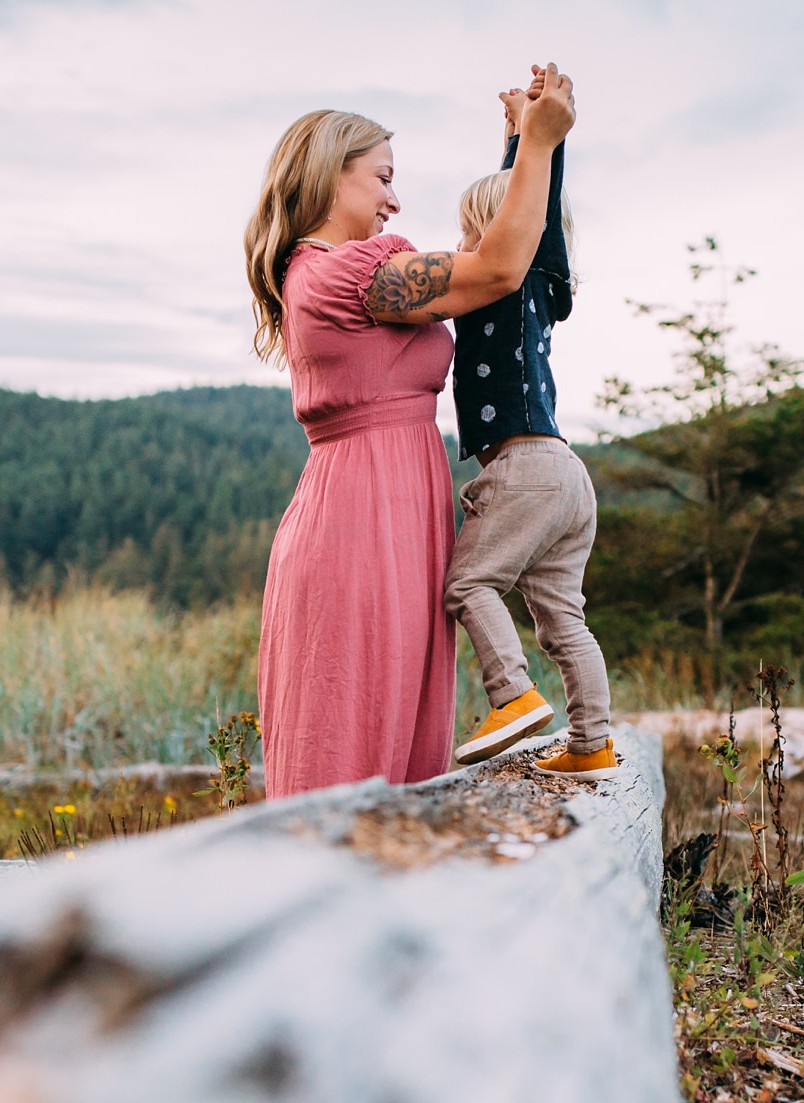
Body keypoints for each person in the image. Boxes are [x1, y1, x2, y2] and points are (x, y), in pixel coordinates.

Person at [241, 67, 577, 799]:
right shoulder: (343, 276)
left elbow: (499, 254)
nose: (395, 198)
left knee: (402, 725)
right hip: (359, 521)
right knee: (350, 734)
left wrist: (522, 140)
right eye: (382, 177)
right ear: (330, 177)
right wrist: (541, 149)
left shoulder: (351, 275)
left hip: (399, 507)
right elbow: (498, 265)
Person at [445, 79, 617, 780]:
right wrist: (526, 135)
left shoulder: (503, 277)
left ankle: (511, 694)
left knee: (469, 585)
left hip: (525, 468)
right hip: (567, 477)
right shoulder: (543, 288)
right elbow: (531, 205)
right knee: (563, 622)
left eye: (467, 228)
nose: (460, 243)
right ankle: (592, 745)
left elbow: (529, 209)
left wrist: (540, 140)